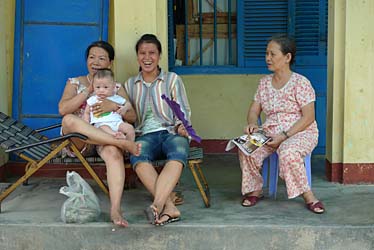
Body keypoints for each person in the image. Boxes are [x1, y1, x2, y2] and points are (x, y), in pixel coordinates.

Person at [239, 34, 325, 214]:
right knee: (246, 147)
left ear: (287, 57)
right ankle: (255, 190)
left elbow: (308, 117)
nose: (267, 58)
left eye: (272, 54)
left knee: (288, 151)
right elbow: (254, 110)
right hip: (271, 133)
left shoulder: (300, 83)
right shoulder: (263, 83)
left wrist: (284, 137)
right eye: (266, 54)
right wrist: (253, 124)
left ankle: (308, 195)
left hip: (300, 132)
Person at [58, 41, 141, 227]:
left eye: (101, 58)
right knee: (69, 120)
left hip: (105, 135)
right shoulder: (75, 82)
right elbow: (63, 109)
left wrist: (113, 106)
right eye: (92, 57)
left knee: (113, 153)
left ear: (110, 63)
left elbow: (132, 116)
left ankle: (115, 209)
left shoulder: (115, 87)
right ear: (87, 60)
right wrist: (87, 91)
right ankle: (122, 143)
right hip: (81, 141)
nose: (95, 61)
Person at [123, 34, 191, 226]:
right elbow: (126, 114)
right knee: (138, 154)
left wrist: (181, 126)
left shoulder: (171, 80)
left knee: (178, 151)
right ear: (137, 56)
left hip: (171, 131)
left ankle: (159, 203)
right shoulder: (129, 84)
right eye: (142, 53)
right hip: (144, 135)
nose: (147, 57)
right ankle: (169, 208)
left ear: (159, 55)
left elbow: (182, 110)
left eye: (152, 53)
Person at [83, 68, 135, 141]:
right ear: (93, 86)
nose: (101, 90)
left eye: (105, 87)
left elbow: (128, 104)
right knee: (103, 129)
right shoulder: (93, 100)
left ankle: (129, 145)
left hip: (117, 123)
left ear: (113, 86)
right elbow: (87, 112)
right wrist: (86, 123)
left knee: (130, 129)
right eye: (98, 87)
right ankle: (115, 135)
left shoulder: (116, 98)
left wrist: (125, 108)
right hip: (101, 124)